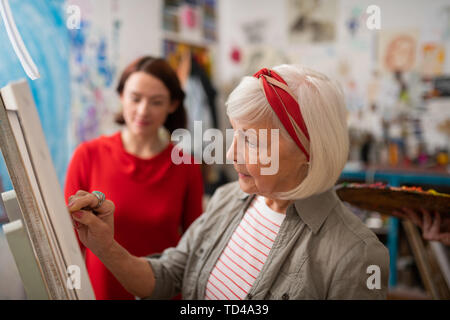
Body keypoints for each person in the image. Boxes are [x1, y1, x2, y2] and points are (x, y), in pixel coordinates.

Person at [67, 64, 389, 299]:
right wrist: (105, 245)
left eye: (252, 141)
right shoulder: (227, 199)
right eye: (235, 134)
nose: (232, 154)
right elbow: (168, 276)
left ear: (310, 151)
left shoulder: (356, 255)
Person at [64, 56, 204, 299]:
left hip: (161, 293)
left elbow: (196, 247)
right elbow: (68, 243)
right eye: (135, 98)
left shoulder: (187, 165)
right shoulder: (88, 155)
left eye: (156, 102)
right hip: (101, 293)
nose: (143, 110)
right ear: (121, 96)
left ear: (172, 105)